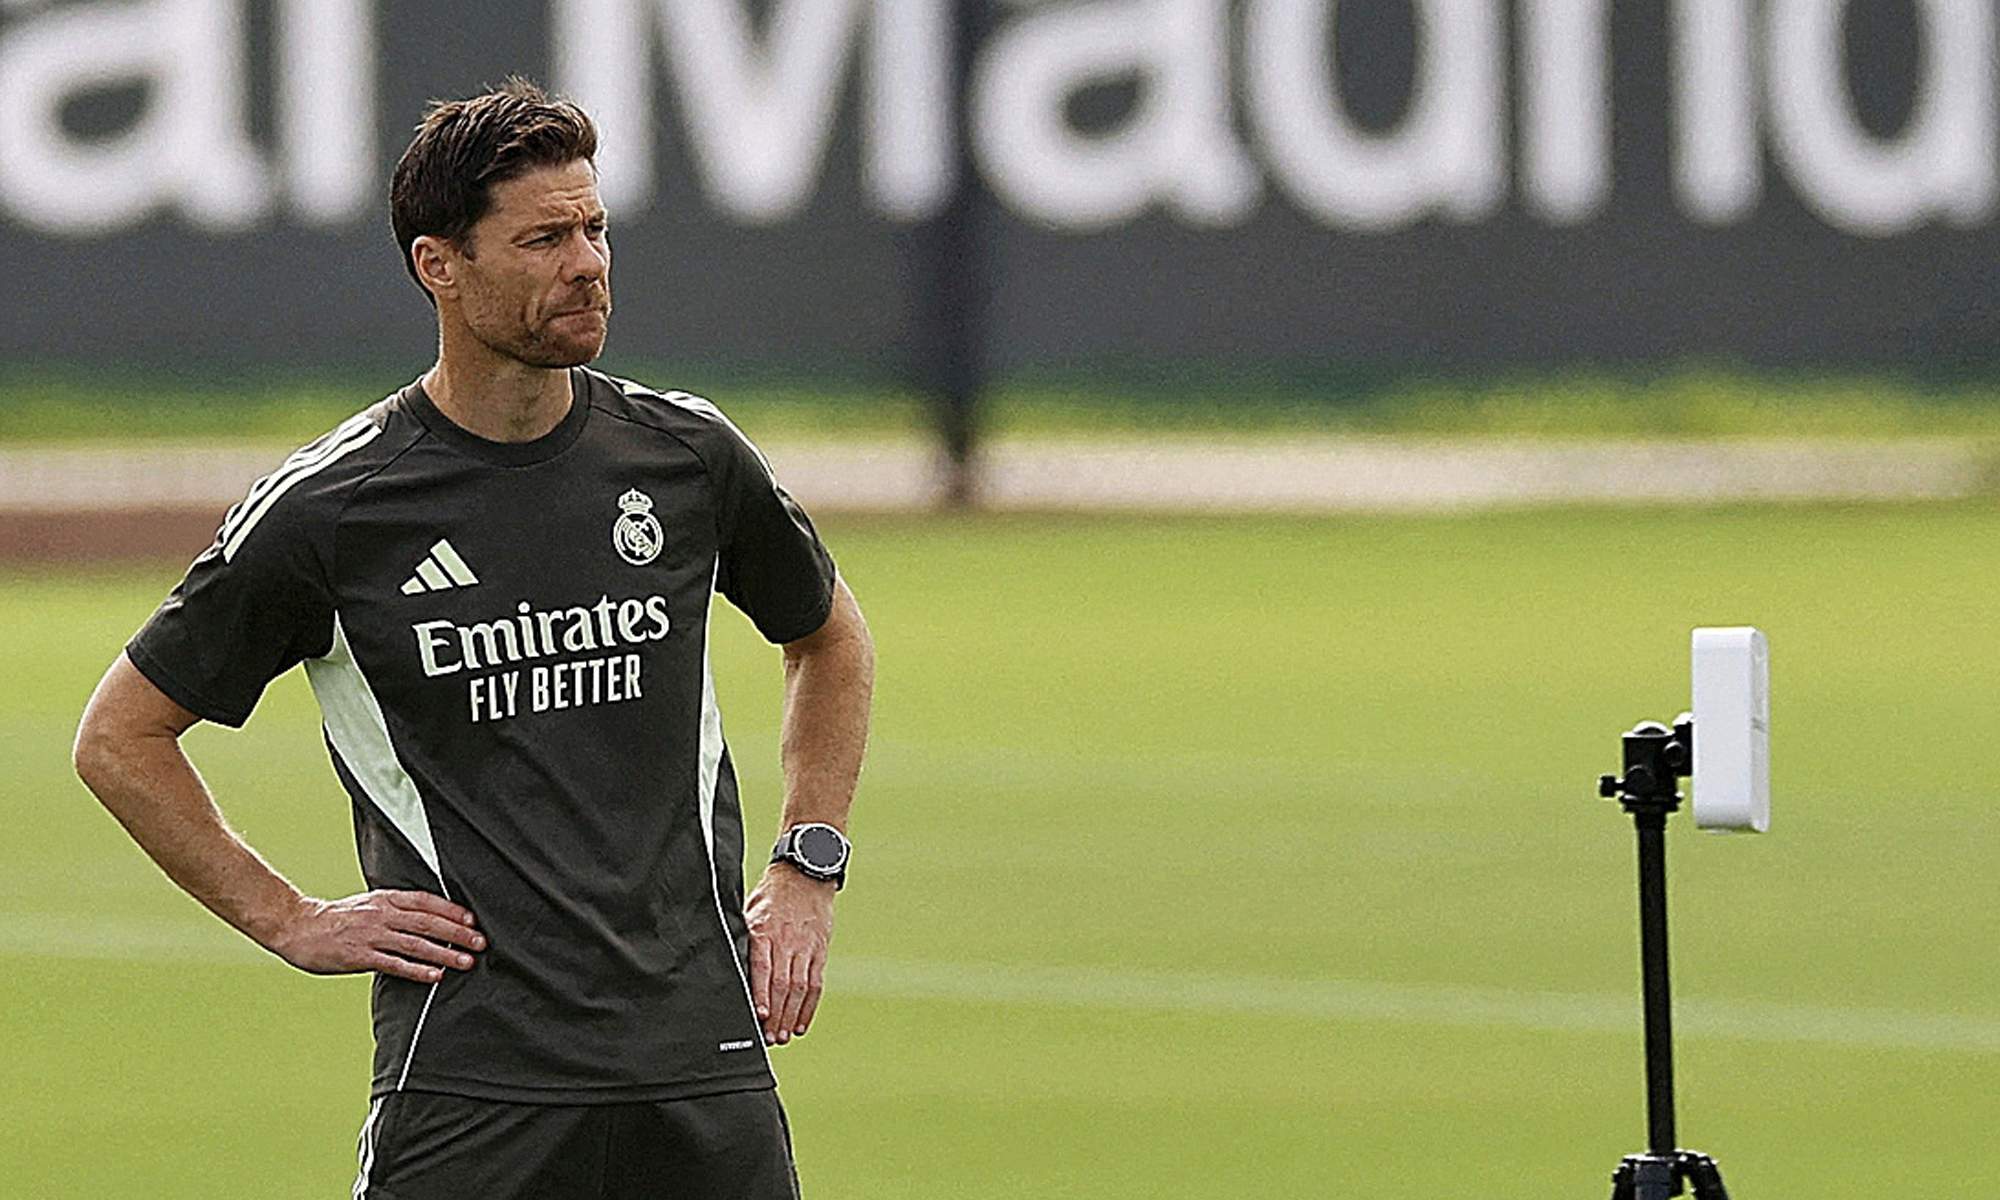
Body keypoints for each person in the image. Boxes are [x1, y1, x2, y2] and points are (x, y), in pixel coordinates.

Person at [70, 78, 874, 1199]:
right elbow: (120, 738)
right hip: (472, 1076)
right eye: (543, 238)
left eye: (593, 228)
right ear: (437, 265)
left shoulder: (685, 459)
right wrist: (287, 918)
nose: (586, 263)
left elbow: (829, 638)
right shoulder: (334, 510)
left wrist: (807, 866)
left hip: (701, 1059)